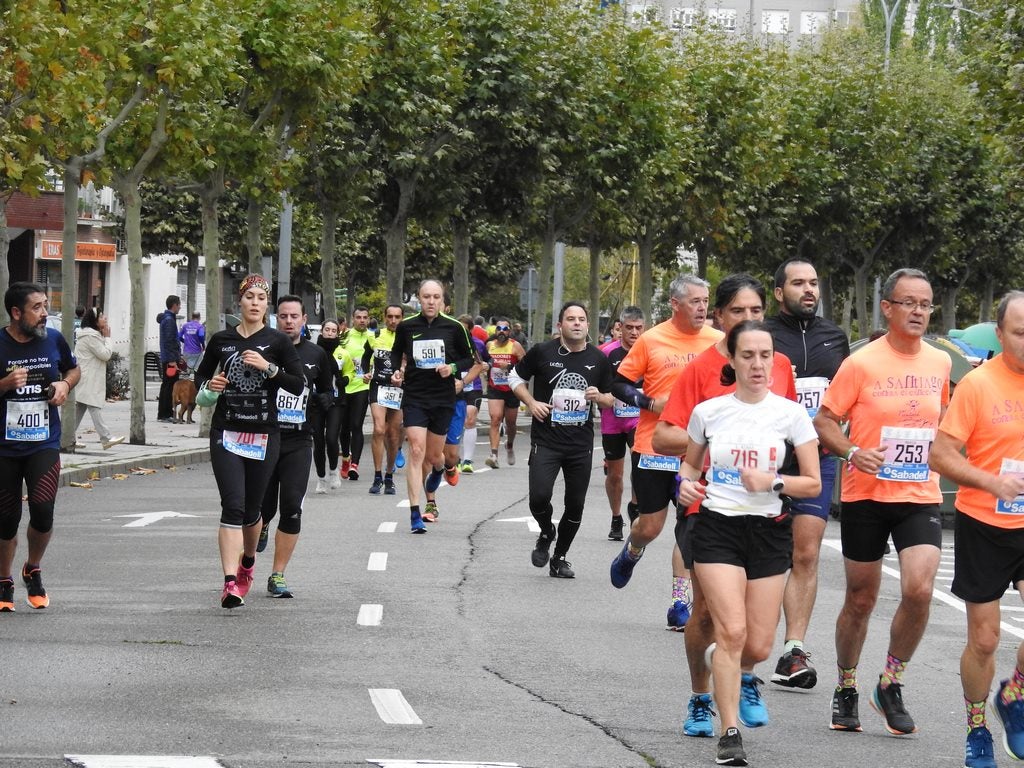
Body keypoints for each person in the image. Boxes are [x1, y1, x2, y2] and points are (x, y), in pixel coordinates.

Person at [653, 273, 797, 738]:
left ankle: (744, 675)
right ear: (719, 318)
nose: (749, 321)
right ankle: (700, 699)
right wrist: (717, 444)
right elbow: (666, 434)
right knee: (708, 615)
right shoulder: (700, 371)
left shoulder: (779, 367)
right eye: (739, 312)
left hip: (763, 507)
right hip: (709, 507)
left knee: (754, 634)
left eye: (757, 312)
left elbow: (788, 435)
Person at [675, 319, 820, 766]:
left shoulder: (791, 415)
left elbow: (812, 484)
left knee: (757, 646)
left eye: (766, 356)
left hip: (769, 532)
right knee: (732, 631)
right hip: (717, 529)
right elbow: (689, 469)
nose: (758, 364)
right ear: (732, 361)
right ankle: (729, 731)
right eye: (748, 356)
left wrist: (773, 482)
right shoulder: (709, 412)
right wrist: (685, 486)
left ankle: (733, 668)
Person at [814, 267, 950, 735]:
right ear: (887, 308)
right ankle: (846, 684)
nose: (918, 311)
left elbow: (945, 424)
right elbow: (825, 420)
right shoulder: (862, 363)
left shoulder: (940, 363)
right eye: (908, 302)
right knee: (860, 598)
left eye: (925, 304)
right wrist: (853, 451)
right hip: (866, 494)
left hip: (918, 493)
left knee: (918, 588)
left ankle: (890, 683)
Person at [929, 290, 1024, 768]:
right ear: (1001, 334)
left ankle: (1015, 694)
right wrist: (991, 481)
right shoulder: (978, 385)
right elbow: (940, 455)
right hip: (984, 521)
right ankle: (976, 727)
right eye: (1020, 333)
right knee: (984, 640)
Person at [608, 274, 722, 630]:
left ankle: (678, 603)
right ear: (675, 304)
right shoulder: (651, 339)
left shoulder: (719, 342)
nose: (703, 307)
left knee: (689, 529)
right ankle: (633, 549)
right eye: (695, 301)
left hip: (699, 449)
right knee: (651, 526)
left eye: (705, 301)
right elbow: (620, 385)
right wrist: (650, 401)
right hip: (654, 444)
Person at [765, 259, 850, 689]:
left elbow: (845, 401)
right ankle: (744, 642)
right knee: (758, 555)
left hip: (817, 459)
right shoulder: (764, 338)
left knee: (806, 553)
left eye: (814, 282)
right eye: (799, 283)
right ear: (779, 292)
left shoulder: (835, 338)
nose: (809, 290)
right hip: (766, 460)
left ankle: (792, 650)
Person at [194, 275, 304, 609]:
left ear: (266, 305)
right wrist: (209, 386)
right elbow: (201, 376)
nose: (255, 303)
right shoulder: (221, 340)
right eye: (249, 297)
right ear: (239, 302)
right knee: (233, 505)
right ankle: (230, 582)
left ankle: (247, 561)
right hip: (226, 432)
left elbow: (298, 384)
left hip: (263, 435)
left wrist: (269, 368)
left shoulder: (277, 342)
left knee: (252, 512)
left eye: (261, 298)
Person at [510, 301, 613, 578]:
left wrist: (599, 397)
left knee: (575, 504)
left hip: (580, 444)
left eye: (581, 319)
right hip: (546, 439)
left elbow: (611, 397)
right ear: (560, 325)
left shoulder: (598, 359)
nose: (576, 323)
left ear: (588, 325)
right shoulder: (543, 352)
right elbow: (514, 377)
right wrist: (531, 402)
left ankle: (560, 557)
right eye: (571, 319)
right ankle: (546, 531)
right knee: (539, 498)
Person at [0, 282, 80, 610]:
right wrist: (3, 384)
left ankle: (32, 567)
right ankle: (4, 579)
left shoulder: (53, 339)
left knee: (43, 511)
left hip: (43, 443)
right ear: (16, 313)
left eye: (46, 305)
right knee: (5, 519)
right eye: (37, 308)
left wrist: (64, 383)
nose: (45, 313)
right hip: (3, 447)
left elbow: (73, 369)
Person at [256, 296, 334, 598]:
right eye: (284, 316)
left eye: (295, 316)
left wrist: (323, 400)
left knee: (291, 507)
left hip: (299, 440)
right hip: (265, 437)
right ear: (276, 318)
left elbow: (328, 389)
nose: (289, 321)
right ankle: (256, 536)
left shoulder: (316, 354)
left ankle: (277, 575)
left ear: (304, 319)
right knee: (261, 508)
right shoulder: (264, 348)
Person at [389, 279, 474, 533]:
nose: (431, 301)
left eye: (436, 297)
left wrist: (453, 368)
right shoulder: (406, 326)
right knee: (416, 450)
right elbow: (396, 352)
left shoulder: (454, 327)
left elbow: (469, 358)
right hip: (415, 395)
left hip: (443, 398)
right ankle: (415, 514)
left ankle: (441, 468)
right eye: (426, 297)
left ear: (443, 301)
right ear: (419, 298)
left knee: (433, 456)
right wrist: (396, 370)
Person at [599, 306, 645, 542]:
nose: (634, 333)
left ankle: (635, 506)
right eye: (629, 328)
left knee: (640, 467)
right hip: (612, 421)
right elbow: (596, 383)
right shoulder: (607, 353)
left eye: (639, 328)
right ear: (620, 327)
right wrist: (602, 397)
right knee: (615, 475)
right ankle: (616, 516)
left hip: (639, 419)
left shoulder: (650, 350)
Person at [71, 308, 124, 450]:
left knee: (80, 408)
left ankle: (65, 438)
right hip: (88, 378)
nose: (105, 318)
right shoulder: (90, 336)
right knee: (94, 406)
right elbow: (105, 354)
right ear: (94, 321)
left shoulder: (91, 334)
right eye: (101, 316)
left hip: (87, 377)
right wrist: (107, 337)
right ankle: (106, 438)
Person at [367, 305, 405, 495]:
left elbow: (411, 362)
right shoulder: (374, 335)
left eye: (397, 317)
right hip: (378, 386)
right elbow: (366, 357)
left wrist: (403, 374)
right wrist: (364, 373)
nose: (393, 320)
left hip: (398, 389)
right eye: (389, 316)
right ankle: (377, 475)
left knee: (393, 434)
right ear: (384, 317)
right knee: (379, 429)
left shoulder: (406, 336)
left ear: (402, 318)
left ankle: (389, 475)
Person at [338, 307, 374, 482]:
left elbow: (379, 360)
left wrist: (371, 374)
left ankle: (355, 465)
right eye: (358, 317)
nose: (361, 320)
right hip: (345, 387)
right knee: (344, 428)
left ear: (369, 319)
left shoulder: (373, 338)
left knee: (356, 425)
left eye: (364, 318)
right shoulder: (344, 336)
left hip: (362, 386)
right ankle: (346, 458)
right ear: (352, 319)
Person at [485, 318, 526, 469]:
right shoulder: (489, 345)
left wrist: (509, 366)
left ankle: (509, 445)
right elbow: (482, 361)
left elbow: (525, 366)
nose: (501, 331)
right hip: (495, 388)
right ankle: (494, 454)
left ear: (509, 331)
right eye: (499, 328)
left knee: (511, 423)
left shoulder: (515, 346)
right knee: (495, 419)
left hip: (512, 388)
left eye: (505, 328)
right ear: (495, 331)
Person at [311, 320, 344, 493]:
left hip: (336, 401)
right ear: (322, 331)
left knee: (331, 438)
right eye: (327, 330)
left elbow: (351, 373)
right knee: (318, 440)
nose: (330, 333)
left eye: (333, 330)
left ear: (338, 333)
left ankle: (333, 470)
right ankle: (321, 477)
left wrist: (344, 380)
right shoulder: (314, 351)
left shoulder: (342, 352)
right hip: (316, 401)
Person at [458, 313, 491, 474]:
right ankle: (454, 459)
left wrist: (487, 365)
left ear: (470, 330)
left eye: (465, 329)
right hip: (455, 385)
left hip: (474, 386)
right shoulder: (450, 343)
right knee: (456, 421)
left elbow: (488, 360)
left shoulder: (478, 343)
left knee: (470, 419)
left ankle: (467, 460)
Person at [156, 295, 181, 422]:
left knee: (167, 384)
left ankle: (164, 412)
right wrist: (173, 360)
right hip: (170, 359)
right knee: (170, 385)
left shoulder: (166, 319)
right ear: (174, 305)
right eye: (179, 305)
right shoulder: (169, 321)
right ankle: (165, 413)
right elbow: (170, 341)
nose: (180, 307)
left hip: (168, 357)